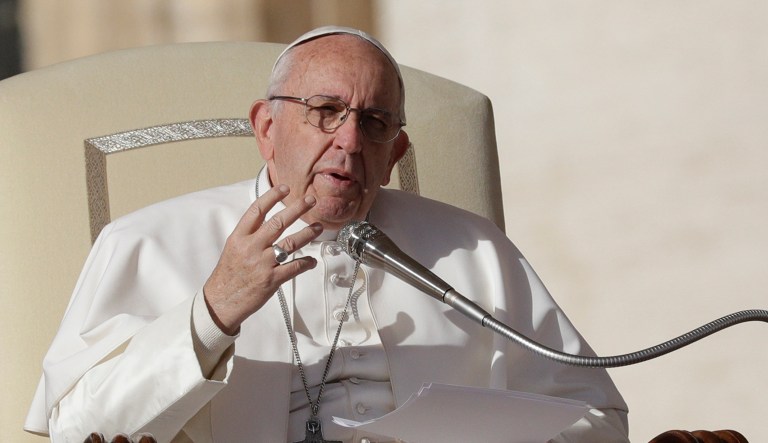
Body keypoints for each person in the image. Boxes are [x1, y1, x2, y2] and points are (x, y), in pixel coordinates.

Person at [25, 26, 629, 442]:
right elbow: (78, 430)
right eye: (324, 112)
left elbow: (598, 419)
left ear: (396, 152)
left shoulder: (475, 251)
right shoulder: (149, 242)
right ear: (266, 127)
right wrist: (211, 315)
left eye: (373, 123)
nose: (347, 142)